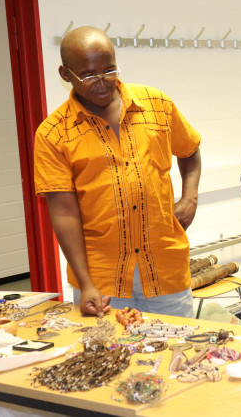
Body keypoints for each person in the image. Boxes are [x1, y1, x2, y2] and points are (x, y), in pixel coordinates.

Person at [34, 27, 202, 318]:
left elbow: (190, 151)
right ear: (65, 74)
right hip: (102, 280)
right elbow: (64, 214)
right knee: (110, 346)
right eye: (88, 75)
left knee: (177, 343)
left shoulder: (157, 105)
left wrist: (190, 198)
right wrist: (87, 284)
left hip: (165, 272)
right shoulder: (53, 134)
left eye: (109, 70)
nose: (101, 82)